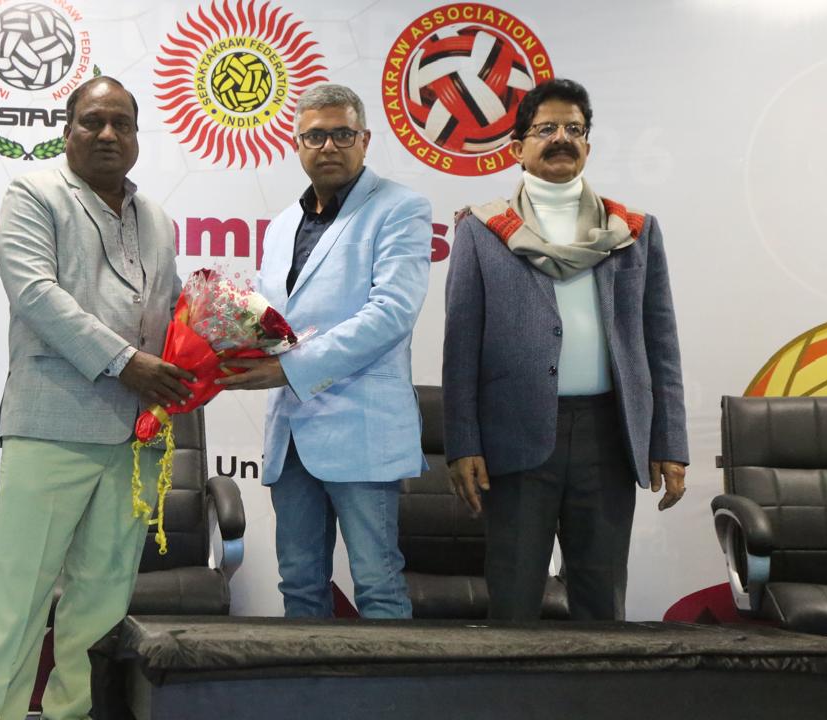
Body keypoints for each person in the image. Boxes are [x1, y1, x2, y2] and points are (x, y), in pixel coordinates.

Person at [0, 76, 192, 720]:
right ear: (67, 131)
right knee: (18, 597)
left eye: (122, 123)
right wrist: (127, 363)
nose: (108, 134)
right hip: (52, 425)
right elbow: (36, 294)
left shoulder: (159, 220)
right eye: (93, 121)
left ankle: (76, 713)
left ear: (138, 137)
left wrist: (215, 347)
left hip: (136, 436)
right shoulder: (33, 194)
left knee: (102, 604)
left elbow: (170, 311)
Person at [442, 78, 688, 621]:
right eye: (546, 128)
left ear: (588, 146)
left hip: (608, 435)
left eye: (574, 129)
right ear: (518, 147)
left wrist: (670, 440)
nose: (561, 138)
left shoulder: (632, 231)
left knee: (602, 606)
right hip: (514, 434)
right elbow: (460, 347)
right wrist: (462, 443)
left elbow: (661, 345)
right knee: (512, 603)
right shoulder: (482, 231)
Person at [220, 83, 432, 619]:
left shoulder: (401, 208)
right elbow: (273, 322)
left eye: (342, 134)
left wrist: (288, 369)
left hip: (362, 429)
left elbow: (391, 314)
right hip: (291, 435)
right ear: (297, 144)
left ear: (365, 140)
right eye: (315, 136)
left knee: (378, 587)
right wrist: (222, 341)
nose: (329, 146)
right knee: (299, 586)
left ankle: (393, 682)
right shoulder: (281, 225)